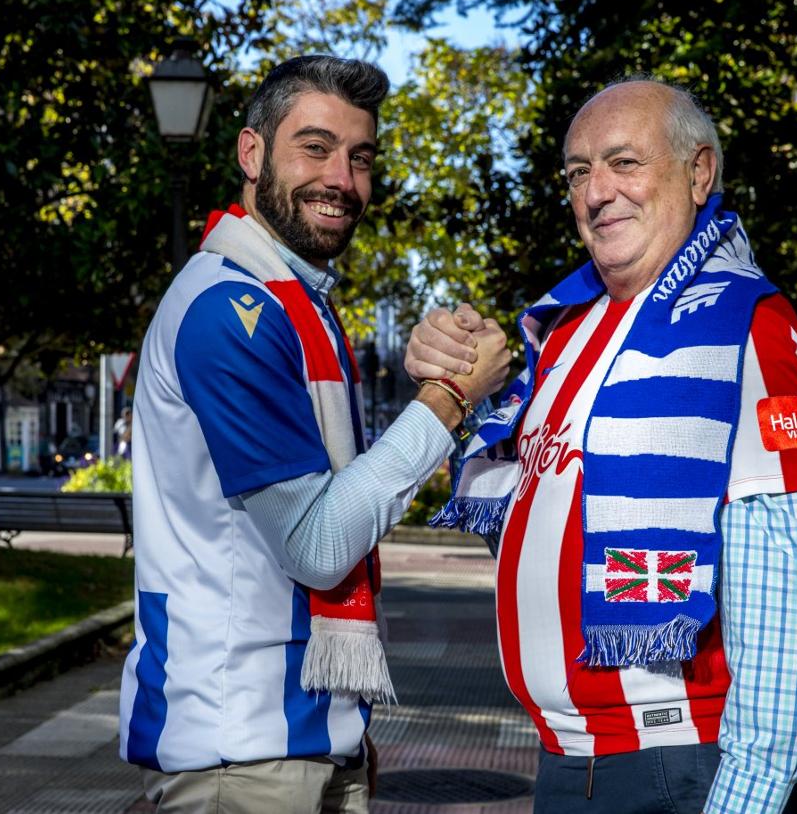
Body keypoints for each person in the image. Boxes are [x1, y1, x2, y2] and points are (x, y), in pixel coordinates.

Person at [407, 78, 797, 813]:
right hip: (567, 762)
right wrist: (463, 389)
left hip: (678, 769)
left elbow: (792, 594)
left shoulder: (745, 330)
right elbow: (532, 536)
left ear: (698, 172)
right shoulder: (569, 332)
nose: (597, 192)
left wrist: (747, 801)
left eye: (623, 163)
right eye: (579, 172)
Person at [117, 55, 510, 814]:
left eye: (360, 157)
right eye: (316, 147)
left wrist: (343, 727)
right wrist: (448, 399)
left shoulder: (294, 303)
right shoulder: (228, 313)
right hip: (242, 756)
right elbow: (318, 545)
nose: (342, 178)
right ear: (252, 152)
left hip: (302, 736)